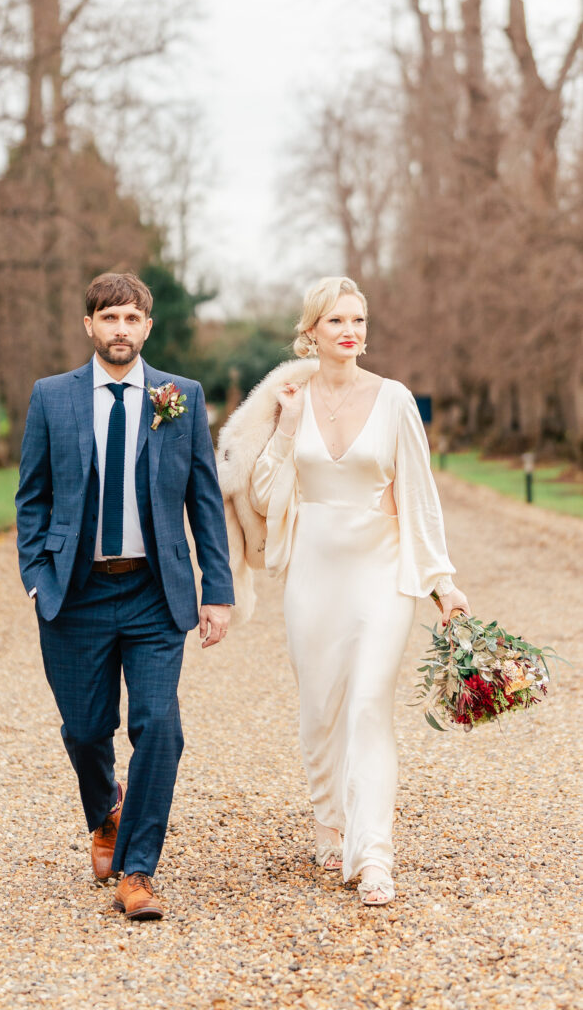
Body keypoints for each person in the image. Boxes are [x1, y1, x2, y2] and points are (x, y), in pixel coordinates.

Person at [219, 276, 469, 906]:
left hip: (381, 572)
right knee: (320, 710)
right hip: (311, 572)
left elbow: (419, 494)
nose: (350, 331)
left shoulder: (394, 400)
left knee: (367, 705)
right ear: (312, 331)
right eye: (335, 321)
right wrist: (287, 425)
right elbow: (264, 494)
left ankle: (373, 853)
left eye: (357, 320)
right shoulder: (289, 397)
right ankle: (329, 821)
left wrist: (441, 583)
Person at [15, 271, 234, 921]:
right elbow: (32, 496)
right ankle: (106, 813)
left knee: (159, 726)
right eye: (108, 318)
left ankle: (137, 871)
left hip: (152, 591)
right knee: (85, 731)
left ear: (147, 326)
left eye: (131, 319)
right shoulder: (52, 397)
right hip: (74, 592)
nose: (120, 330)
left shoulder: (178, 398)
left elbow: (204, 503)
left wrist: (216, 591)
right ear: (89, 326)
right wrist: (36, 573)